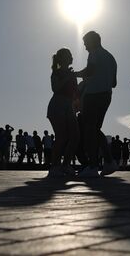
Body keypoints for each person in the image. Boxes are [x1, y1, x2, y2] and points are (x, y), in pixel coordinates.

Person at [73, 31, 118, 177]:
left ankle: (93, 166)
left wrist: (75, 74)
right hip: (106, 96)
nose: (85, 47)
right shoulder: (111, 57)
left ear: (92, 42)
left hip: (93, 95)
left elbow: (90, 70)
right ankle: (109, 161)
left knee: (89, 130)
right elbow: (114, 83)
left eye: (85, 43)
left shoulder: (94, 53)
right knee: (95, 129)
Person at [46, 48, 80, 177]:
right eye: (69, 55)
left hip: (69, 106)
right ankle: (54, 166)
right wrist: (68, 77)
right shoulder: (57, 72)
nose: (72, 57)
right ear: (63, 58)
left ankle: (65, 165)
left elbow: (75, 93)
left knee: (75, 136)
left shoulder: (72, 74)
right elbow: (55, 88)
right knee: (62, 136)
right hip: (57, 105)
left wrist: (77, 104)